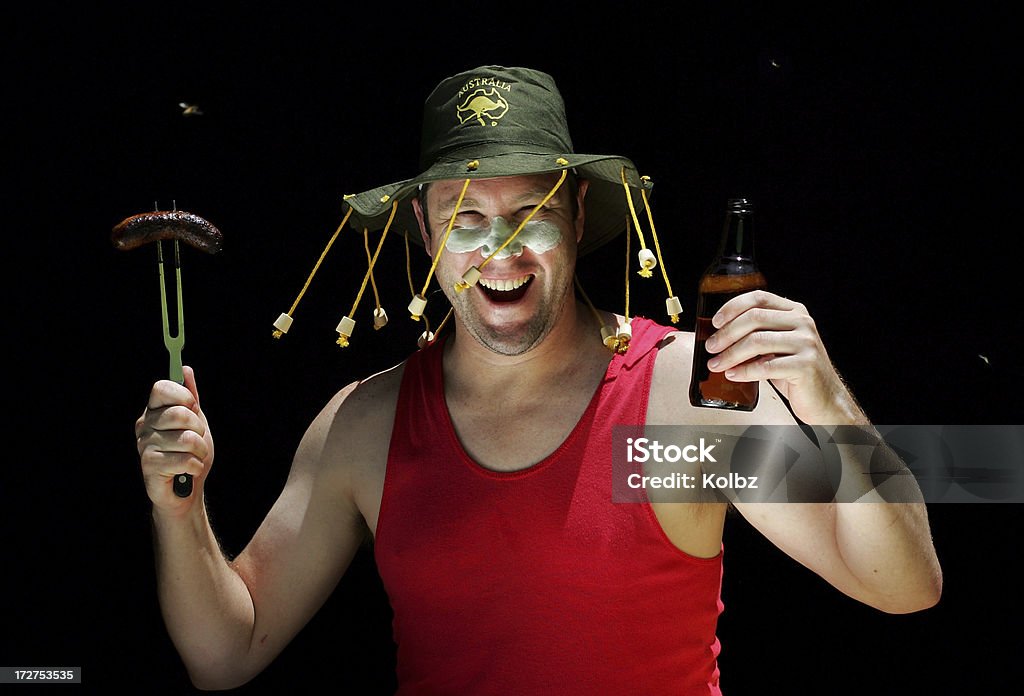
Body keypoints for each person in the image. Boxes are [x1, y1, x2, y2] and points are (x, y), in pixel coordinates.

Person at [135, 65, 942, 694]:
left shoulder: (676, 405)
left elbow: (904, 586)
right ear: (422, 231)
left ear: (580, 217)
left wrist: (828, 400)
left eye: (533, 215)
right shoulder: (365, 424)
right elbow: (225, 653)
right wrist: (182, 504)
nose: (500, 251)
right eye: (464, 218)